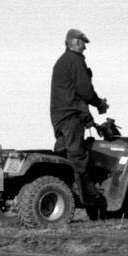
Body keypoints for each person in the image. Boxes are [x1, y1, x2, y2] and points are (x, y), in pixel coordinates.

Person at [50, 29, 109, 207]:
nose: (85, 47)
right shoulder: (75, 61)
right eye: (83, 43)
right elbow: (85, 90)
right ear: (75, 42)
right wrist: (99, 104)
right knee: (78, 157)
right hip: (71, 116)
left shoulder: (61, 62)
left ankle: (61, 190)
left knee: (63, 154)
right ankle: (91, 198)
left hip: (59, 116)